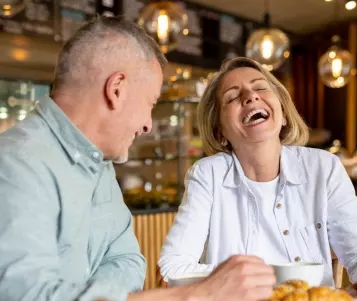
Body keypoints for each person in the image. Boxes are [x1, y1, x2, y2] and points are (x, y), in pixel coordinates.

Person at [0, 17, 276, 301]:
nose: (147, 124)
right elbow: (25, 295)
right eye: (150, 103)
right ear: (116, 89)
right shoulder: (14, 162)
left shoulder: (100, 165)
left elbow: (129, 261)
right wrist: (197, 295)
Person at [158, 57, 357, 300]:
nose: (250, 97)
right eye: (231, 97)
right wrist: (240, 282)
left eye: (260, 87)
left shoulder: (323, 167)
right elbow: (172, 268)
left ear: (282, 113)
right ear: (220, 133)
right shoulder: (207, 174)